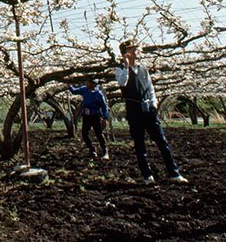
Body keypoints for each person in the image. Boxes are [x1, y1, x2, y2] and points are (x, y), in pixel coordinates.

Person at [115, 40, 188, 185]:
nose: (135, 51)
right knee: (139, 144)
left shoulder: (143, 69)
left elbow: (150, 87)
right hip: (134, 111)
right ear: (125, 53)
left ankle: (174, 173)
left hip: (148, 109)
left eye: (135, 48)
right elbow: (122, 82)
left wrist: (154, 104)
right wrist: (126, 65)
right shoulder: (120, 69)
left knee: (161, 141)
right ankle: (147, 176)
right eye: (131, 49)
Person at [69, 79, 109, 159]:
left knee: (99, 134)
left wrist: (105, 117)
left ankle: (105, 151)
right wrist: (70, 86)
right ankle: (92, 149)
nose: (86, 83)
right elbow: (74, 91)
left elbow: (104, 106)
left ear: (93, 84)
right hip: (86, 116)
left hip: (95, 115)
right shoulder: (84, 89)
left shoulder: (98, 94)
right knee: (84, 134)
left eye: (88, 82)